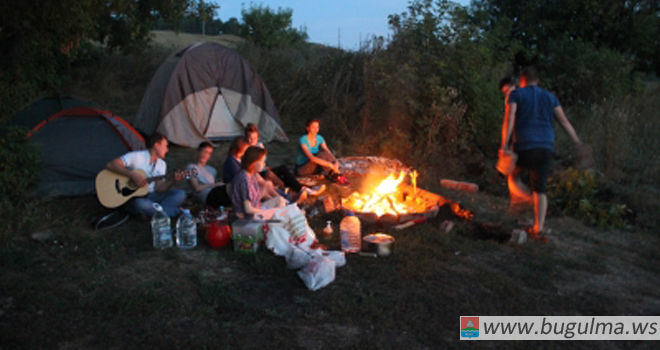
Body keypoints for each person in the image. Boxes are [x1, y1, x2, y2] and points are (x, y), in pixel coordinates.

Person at [500, 66, 583, 238]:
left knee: (512, 175)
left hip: (524, 146)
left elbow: (509, 119)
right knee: (540, 189)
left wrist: (504, 145)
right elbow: (564, 122)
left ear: (522, 81)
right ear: (537, 81)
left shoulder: (516, 94)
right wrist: (577, 142)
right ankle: (538, 228)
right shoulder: (550, 97)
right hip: (545, 148)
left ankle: (523, 201)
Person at [105, 133, 186, 218]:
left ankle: (157, 211)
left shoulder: (162, 164)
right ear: (156, 145)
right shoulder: (136, 156)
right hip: (135, 198)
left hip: (152, 196)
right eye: (165, 146)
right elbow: (111, 164)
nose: (167, 150)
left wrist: (173, 180)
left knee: (180, 194)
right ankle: (172, 211)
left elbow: (159, 188)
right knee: (140, 204)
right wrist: (132, 174)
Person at [244, 123, 325, 196]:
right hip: (257, 174)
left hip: (264, 169)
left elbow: (263, 161)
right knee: (279, 178)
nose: (252, 141)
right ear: (246, 137)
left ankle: (305, 188)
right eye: (250, 138)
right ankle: (303, 190)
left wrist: (267, 166)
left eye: (254, 138)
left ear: (258, 137)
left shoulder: (259, 145)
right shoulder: (245, 149)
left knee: (283, 169)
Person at [499, 76, 534, 215]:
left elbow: (508, 122)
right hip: (535, 142)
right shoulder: (528, 97)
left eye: (508, 89)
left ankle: (528, 201)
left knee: (512, 175)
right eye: (505, 92)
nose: (507, 93)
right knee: (516, 176)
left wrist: (504, 145)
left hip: (521, 142)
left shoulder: (513, 98)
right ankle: (517, 206)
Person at [231, 146, 286, 219]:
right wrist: (270, 211)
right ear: (254, 162)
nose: (264, 164)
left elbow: (255, 198)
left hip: (257, 209)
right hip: (247, 217)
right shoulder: (244, 179)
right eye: (262, 161)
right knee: (280, 212)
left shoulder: (252, 175)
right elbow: (248, 209)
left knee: (280, 200)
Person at [296, 119, 347, 184]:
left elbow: (328, 152)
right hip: (303, 169)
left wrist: (335, 161)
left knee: (325, 153)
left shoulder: (319, 138)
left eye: (317, 127)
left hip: (315, 167)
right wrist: (329, 164)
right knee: (321, 154)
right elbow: (312, 158)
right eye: (313, 127)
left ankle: (336, 174)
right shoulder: (303, 139)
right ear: (308, 128)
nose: (316, 129)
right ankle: (335, 175)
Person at [187, 142, 231, 208]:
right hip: (206, 196)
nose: (205, 155)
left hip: (216, 193)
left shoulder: (212, 170)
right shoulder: (190, 167)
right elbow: (196, 188)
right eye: (204, 151)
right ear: (198, 151)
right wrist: (214, 185)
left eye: (208, 153)